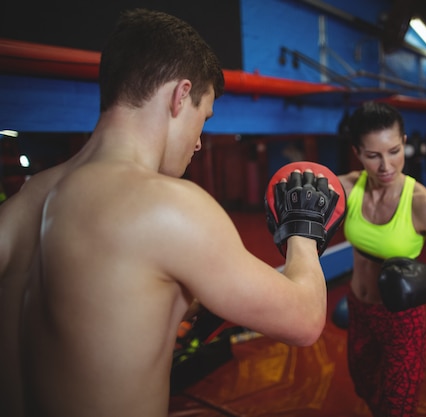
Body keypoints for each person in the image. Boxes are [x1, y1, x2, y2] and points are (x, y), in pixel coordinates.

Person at [0, 9, 339, 417]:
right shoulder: (169, 205)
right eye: (203, 118)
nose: (198, 142)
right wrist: (303, 227)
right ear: (180, 96)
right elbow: (305, 320)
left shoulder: (24, 201)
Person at [337, 101, 426, 417]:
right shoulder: (348, 186)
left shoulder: (422, 204)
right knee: (365, 384)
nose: (386, 165)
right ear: (358, 153)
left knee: (399, 406)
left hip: (402, 320)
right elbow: (307, 186)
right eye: (373, 155)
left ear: (405, 144)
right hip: (359, 308)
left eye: (395, 150)